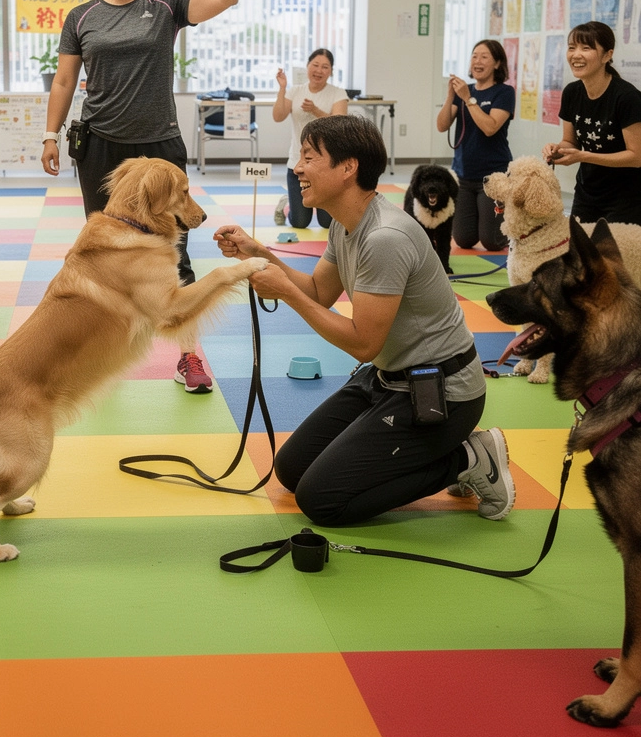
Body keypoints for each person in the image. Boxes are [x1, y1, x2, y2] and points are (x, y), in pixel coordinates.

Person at [214, 114, 514, 525]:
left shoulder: (384, 238)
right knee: (291, 469)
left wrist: (283, 292)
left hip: (443, 394)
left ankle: (468, 458)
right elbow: (320, 291)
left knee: (322, 501)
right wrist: (259, 254)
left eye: (308, 157)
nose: (297, 168)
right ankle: (441, 453)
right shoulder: (346, 223)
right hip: (388, 379)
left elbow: (362, 343)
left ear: (348, 167)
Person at [41, 0, 247, 394]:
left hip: (158, 147)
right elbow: (66, 80)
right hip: (101, 148)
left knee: (175, 252)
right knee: (103, 256)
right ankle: (101, 356)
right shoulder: (81, 17)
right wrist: (50, 134)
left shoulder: (166, 8)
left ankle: (188, 356)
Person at [542, 20, 641, 226]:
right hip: (587, 192)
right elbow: (570, 141)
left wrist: (584, 156)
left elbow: (636, 157)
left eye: (586, 48)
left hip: (627, 196)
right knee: (579, 253)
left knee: (610, 256)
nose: (576, 55)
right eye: (572, 48)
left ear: (607, 55)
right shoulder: (571, 92)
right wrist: (558, 149)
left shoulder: (627, 97)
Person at [435, 39, 515, 251]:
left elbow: (490, 128)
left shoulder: (504, 93)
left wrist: (469, 100)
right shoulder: (464, 92)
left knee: (492, 242)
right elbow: (442, 126)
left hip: (493, 178)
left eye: (484, 56)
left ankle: (509, 221)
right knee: (463, 239)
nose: (477, 61)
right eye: (474, 56)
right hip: (464, 176)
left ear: (497, 63)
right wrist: (450, 97)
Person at [271, 48, 348, 228]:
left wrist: (316, 111)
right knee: (299, 223)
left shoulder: (338, 93)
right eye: (315, 65)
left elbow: (341, 125)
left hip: (327, 165)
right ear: (307, 66)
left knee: (327, 223)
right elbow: (278, 116)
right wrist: (282, 88)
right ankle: (285, 204)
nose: (319, 70)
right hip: (298, 164)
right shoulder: (296, 91)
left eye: (325, 67)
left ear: (331, 71)